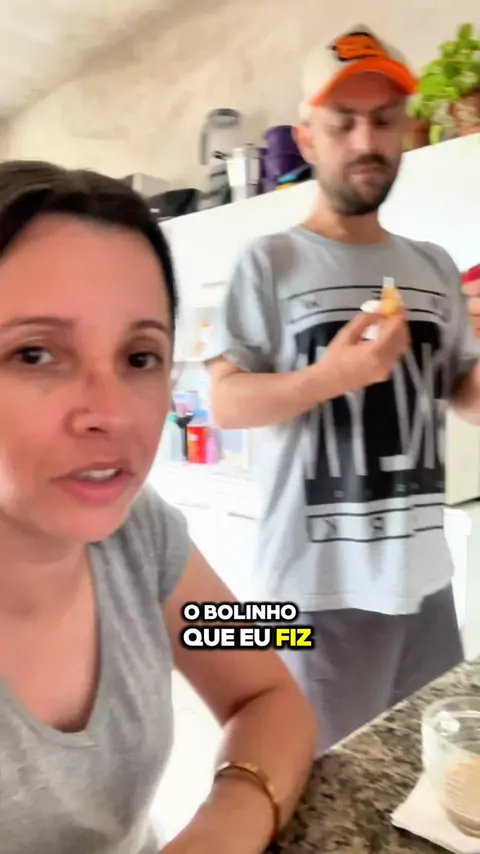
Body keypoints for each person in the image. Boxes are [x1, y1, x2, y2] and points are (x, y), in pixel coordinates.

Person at [0, 159, 317, 853]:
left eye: (139, 358)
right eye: (35, 354)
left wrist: (225, 823)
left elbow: (269, 690)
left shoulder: (140, 535)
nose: (112, 413)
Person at [207, 24, 480, 755]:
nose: (367, 141)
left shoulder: (434, 265)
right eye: (343, 123)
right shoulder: (270, 262)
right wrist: (332, 377)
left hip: (426, 584)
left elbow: (463, 394)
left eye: (384, 121)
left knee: (424, 774)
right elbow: (224, 402)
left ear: (405, 131)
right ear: (307, 138)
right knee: (315, 783)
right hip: (313, 595)